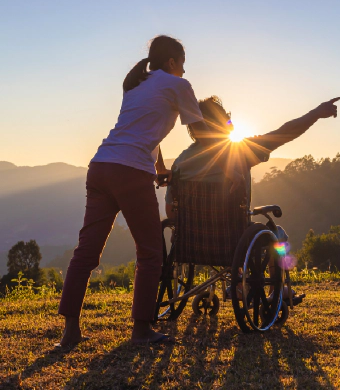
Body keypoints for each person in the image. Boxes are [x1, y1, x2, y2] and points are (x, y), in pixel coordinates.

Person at [57, 35, 225, 346]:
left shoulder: (136, 83)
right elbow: (200, 130)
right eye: (183, 65)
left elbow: (146, 132)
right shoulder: (178, 86)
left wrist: (160, 169)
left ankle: (70, 332)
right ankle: (141, 330)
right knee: (150, 253)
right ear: (172, 62)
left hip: (101, 166)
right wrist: (227, 128)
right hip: (130, 172)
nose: (185, 72)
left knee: (85, 253)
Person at [164, 95, 340, 303]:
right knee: (277, 233)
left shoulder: (181, 162)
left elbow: (170, 210)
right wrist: (316, 114)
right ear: (223, 123)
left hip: (192, 241)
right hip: (233, 238)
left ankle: (237, 284)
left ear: (192, 127)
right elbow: (283, 134)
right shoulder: (238, 151)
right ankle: (277, 291)